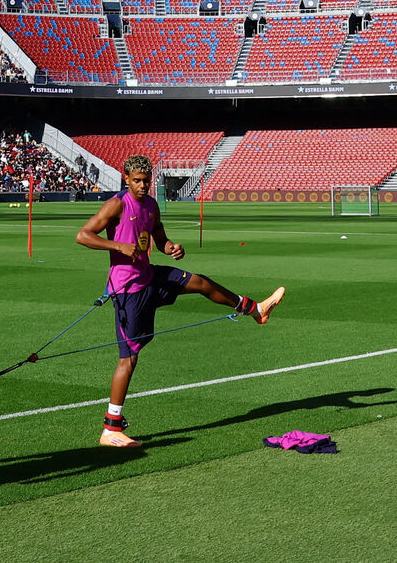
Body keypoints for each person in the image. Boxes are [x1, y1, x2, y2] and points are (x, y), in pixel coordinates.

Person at [75, 155, 283, 448]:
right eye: (137, 180)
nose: (143, 185)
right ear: (126, 179)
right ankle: (111, 428)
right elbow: (83, 235)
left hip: (150, 276)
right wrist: (118, 245)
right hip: (127, 290)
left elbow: (159, 238)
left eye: (147, 180)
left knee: (198, 281)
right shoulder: (117, 204)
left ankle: (254, 309)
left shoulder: (151, 205)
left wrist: (171, 247)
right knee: (128, 358)